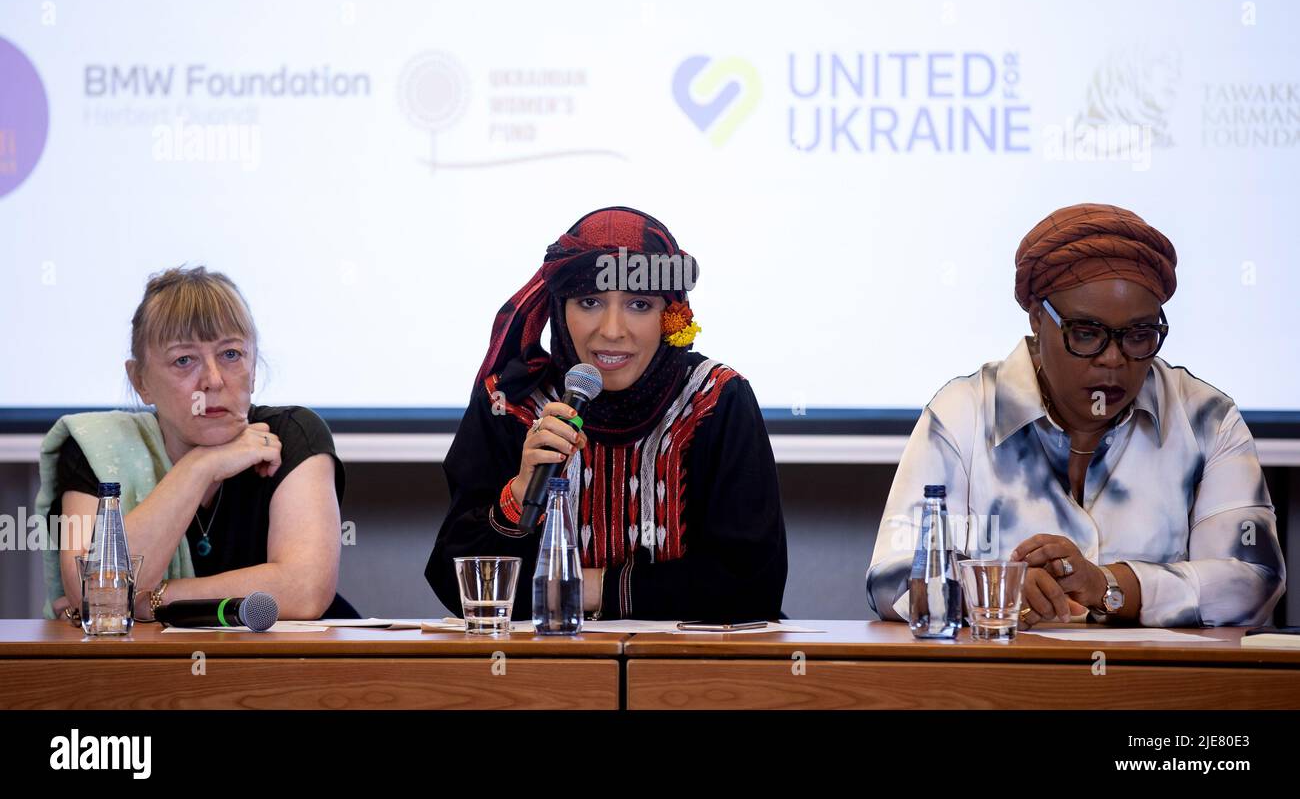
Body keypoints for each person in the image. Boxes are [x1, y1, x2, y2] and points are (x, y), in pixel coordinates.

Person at [866, 203, 1285, 628]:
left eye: (1139, 335)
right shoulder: (961, 414)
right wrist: (996, 586)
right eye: (1086, 334)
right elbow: (891, 578)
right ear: (1036, 319)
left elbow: (1253, 580)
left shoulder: (1207, 421)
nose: (1113, 359)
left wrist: (1111, 586)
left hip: (1158, 691)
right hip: (1003, 690)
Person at [425, 206, 787, 621]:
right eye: (589, 301)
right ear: (560, 311)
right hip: (544, 673)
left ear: (671, 316)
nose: (612, 330)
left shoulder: (716, 398)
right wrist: (519, 494)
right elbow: (458, 585)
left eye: (638, 304)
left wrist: (580, 586)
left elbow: (751, 586)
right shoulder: (512, 403)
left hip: (692, 677)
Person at [36, 266, 357, 622]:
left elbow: (304, 591)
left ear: (253, 367)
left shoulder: (293, 434)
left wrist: (151, 601)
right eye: (184, 360)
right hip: (147, 673)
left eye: (231, 354)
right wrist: (199, 467)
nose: (214, 380)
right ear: (140, 379)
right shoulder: (93, 447)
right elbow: (95, 591)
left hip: (290, 669)